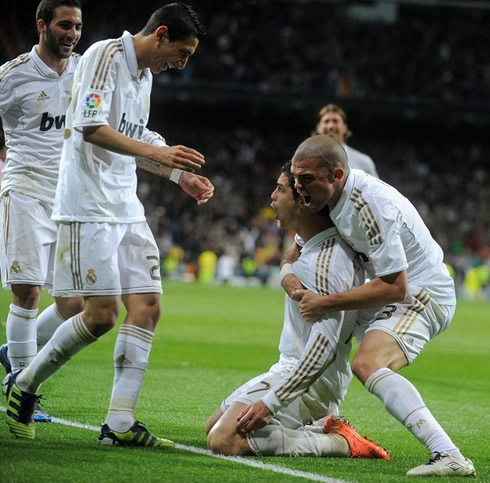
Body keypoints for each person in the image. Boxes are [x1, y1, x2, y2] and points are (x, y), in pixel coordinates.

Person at [4, 2, 214, 446]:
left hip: (125, 204)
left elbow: (138, 134)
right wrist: (158, 155)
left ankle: (119, 424)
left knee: (148, 307)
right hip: (88, 205)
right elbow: (90, 125)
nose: (183, 62)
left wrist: (180, 174)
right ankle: (24, 383)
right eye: (183, 51)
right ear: (160, 35)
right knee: (99, 315)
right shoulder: (104, 57)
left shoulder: (145, 76)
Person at [286, 134, 476, 477]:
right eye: (295, 177)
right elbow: (296, 247)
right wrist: (288, 276)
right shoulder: (323, 198)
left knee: (368, 362)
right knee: (331, 328)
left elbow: (395, 284)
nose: (298, 187)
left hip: (421, 292)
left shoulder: (369, 205)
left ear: (337, 176)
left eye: (306, 179)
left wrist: (325, 301)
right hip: (389, 288)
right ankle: (328, 419)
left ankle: (449, 455)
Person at [206, 162, 389, 460]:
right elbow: (292, 256)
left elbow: (324, 346)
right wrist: (286, 276)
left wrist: (272, 403)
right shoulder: (311, 244)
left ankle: (340, 443)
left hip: (315, 380)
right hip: (289, 366)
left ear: (304, 200)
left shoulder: (329, 261)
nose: (272, 198)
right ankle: (321, 427)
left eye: (280, 189)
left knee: (223, 440)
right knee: (212, 426)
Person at [0, 0, 85, 423]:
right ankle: (20, 382)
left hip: (69, 195)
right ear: (42, 26)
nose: (72, 33)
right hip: (26, 187)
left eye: (77, 26)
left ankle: (15, 350)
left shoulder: (85, 71)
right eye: (64, 25)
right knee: (28, 290)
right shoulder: (12, 75)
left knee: (76, 302)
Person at [315, 104, 378, 178]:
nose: (331, 126)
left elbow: (377, 189)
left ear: (345, 128)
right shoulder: (308, 160)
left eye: (335, 121)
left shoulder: (364, 161)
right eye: (326, 121)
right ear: (318, 128)